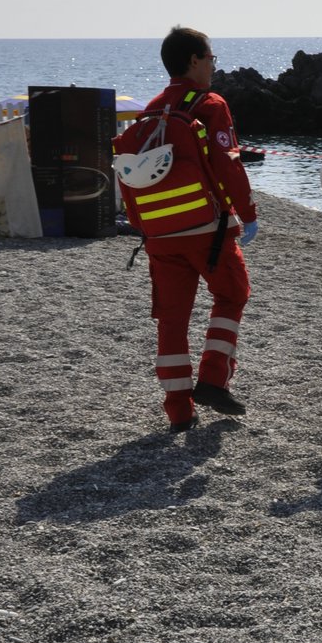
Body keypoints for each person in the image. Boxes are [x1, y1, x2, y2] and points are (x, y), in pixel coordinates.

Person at [115, 27, 258, 432]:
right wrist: (248, 213)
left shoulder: (152, 110)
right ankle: (213, 378)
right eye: (211, 58)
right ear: (194, 60)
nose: (214, 65)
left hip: (159, 233)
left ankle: (179, 410)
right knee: (232, 295)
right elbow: (228, 164)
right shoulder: (210, 104)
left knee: (171, 319)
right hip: (206, 229)